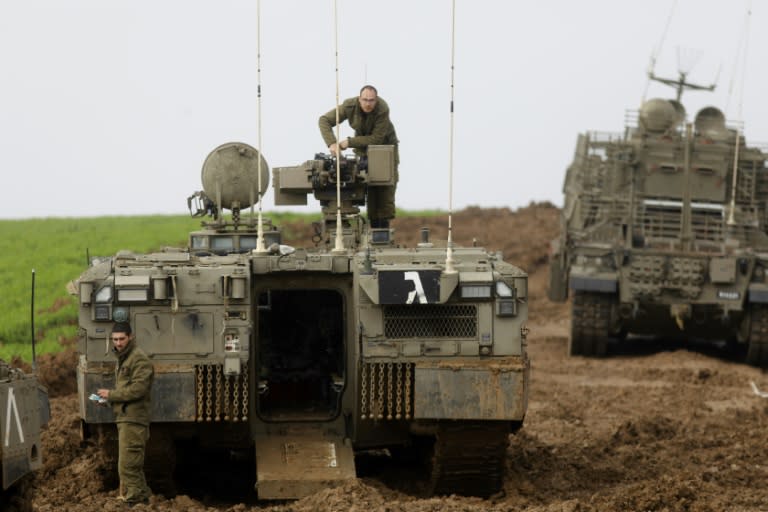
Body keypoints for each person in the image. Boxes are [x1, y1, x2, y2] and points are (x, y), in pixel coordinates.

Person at [319, 84, 400, 228]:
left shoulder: (382, 109)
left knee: (383, 191)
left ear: (376, 100)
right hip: (362, 149)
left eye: (371, 100)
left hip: (384, 149)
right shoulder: (349, 106)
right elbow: (324, 120)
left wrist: (348, 143)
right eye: (365, 100)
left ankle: (381, 231)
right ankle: (370, 227)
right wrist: (332, 143)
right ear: (359, 99)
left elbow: (376, 139)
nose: (368, 104)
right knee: (366, 185)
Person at [97, 321, 154, 506]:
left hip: (134, 420)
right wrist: (109, 399)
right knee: (129, 465)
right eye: (115, 339)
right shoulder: (125, 358)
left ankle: (136, 500)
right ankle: (142, 498)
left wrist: (112, 394)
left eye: (122, 339)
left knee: (128, 466)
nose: (118, 343)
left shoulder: (139, 359)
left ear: (130, 337)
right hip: (126, 418)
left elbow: (139, 389)